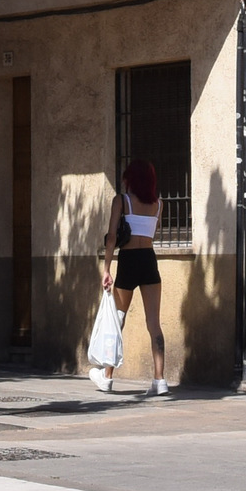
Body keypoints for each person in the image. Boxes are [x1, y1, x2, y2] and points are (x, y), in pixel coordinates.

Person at [94, 158, 170, 395]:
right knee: (154, 323)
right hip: (149, 259)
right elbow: (153, 236)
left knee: (117, 318)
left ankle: (106, 377)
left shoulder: (122, 201)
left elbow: (111, 237)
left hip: (128, 261)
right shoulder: (159, 204)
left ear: (131, 179)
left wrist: (106, 269)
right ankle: (160, 381)